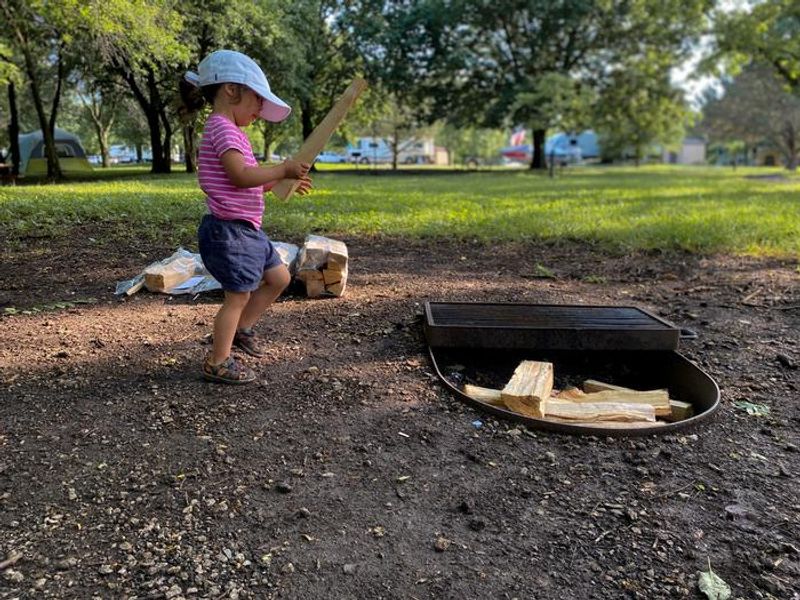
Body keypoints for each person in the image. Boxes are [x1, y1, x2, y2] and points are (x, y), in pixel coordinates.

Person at [182, 49, 312, 384]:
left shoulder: (233, 132)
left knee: (280, 278)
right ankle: (218, 361)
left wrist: (282, 180)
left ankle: (241, 330)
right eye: (257, 100)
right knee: (237, 296)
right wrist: (282, 166)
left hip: (247, 231)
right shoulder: (222, 129)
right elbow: (240, 175)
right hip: (228, 232)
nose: (259, 111)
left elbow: (250, 184)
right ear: (231, 89)